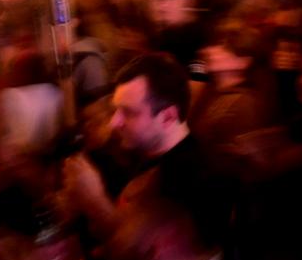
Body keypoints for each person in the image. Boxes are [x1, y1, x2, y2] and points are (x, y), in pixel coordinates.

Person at [63, 54, 229, 247]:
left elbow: (149, 259)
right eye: (115, 110)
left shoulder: (200, 180)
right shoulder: (138, 152)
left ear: (168, 117)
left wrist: (95, 201)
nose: (114, 122)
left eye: (128, 112)